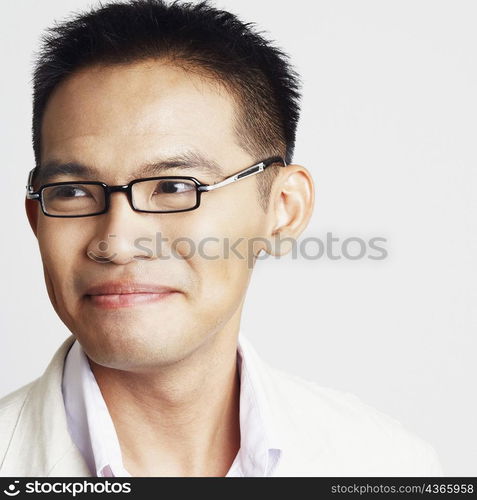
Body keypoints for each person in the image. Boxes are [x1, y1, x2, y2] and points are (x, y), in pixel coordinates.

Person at [0, 0, 441, 477]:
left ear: (283, 209)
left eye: (173, 187)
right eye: (73, 192)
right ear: (36, 218)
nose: (118, 242)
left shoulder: (386, 466)